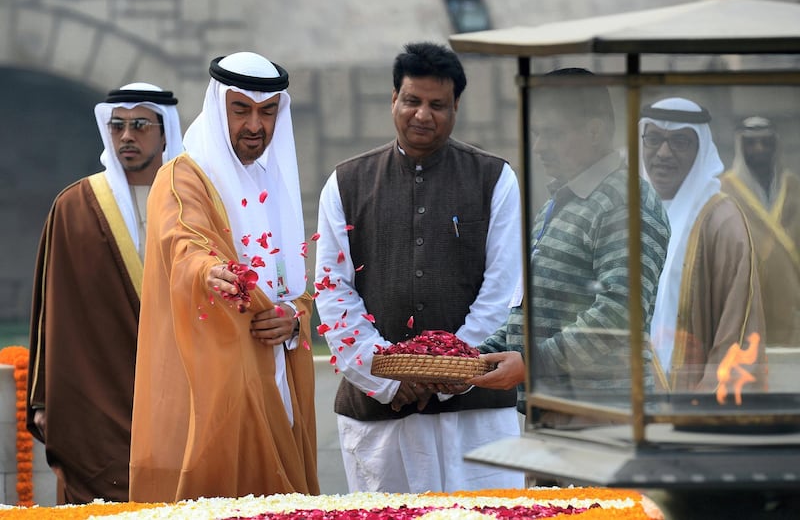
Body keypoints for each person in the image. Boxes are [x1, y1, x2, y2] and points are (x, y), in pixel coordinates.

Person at [314, 41, 524, 493]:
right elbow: (333, 291)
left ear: (456, 107)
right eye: (412, 100)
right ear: (394, 100)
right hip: (379, 412)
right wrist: (387, 375)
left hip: (476, 414)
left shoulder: (495, 178)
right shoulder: (346, 182)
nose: (422, 115)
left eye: (437, 104)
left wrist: (448, 372)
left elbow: (503, 291)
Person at [128, 52, 318, 502]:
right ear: (218, 108)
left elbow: (292, 286)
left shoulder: (272, 182)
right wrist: (211, 271)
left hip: (276, 375)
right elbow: (184, 242)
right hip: (216, 385)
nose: (255, 125)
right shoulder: (183, 176)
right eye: (241, 110)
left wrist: (293, 318)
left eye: (267, 112)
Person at [467, 69, 670, 425]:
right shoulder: (561, 201)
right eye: (537, 133)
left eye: (553, 134)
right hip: (555, 411)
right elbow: (528, 309)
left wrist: (531, 363)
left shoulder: (626, 201)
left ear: (594, 131)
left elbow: (619, 312)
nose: (539, 147)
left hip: (605, 418)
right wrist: (477, 358)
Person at [26, 83, 182, 503]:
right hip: (95, 401)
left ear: (165, 131)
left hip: (177, 400)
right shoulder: (75, 206)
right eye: (117, 126)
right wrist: (42, 398)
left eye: (140, 125)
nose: (127, 136)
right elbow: (51, 312)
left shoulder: (192, 202)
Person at [640, 97, 766, 392]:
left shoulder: (721, 220)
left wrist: (705, 407)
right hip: (627, 403)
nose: (663, 153)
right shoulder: (627, 212)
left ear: (700, 150)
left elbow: (736, 330)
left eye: (679, 142)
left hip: (690, 401)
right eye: (654, 139)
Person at [720, 116, 800, 347]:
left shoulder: (794, 187)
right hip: (748, 297)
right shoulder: (724, 189)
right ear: (740, 146)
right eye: (751, 143)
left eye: (766, 142)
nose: (759, 148)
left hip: (791, 297)